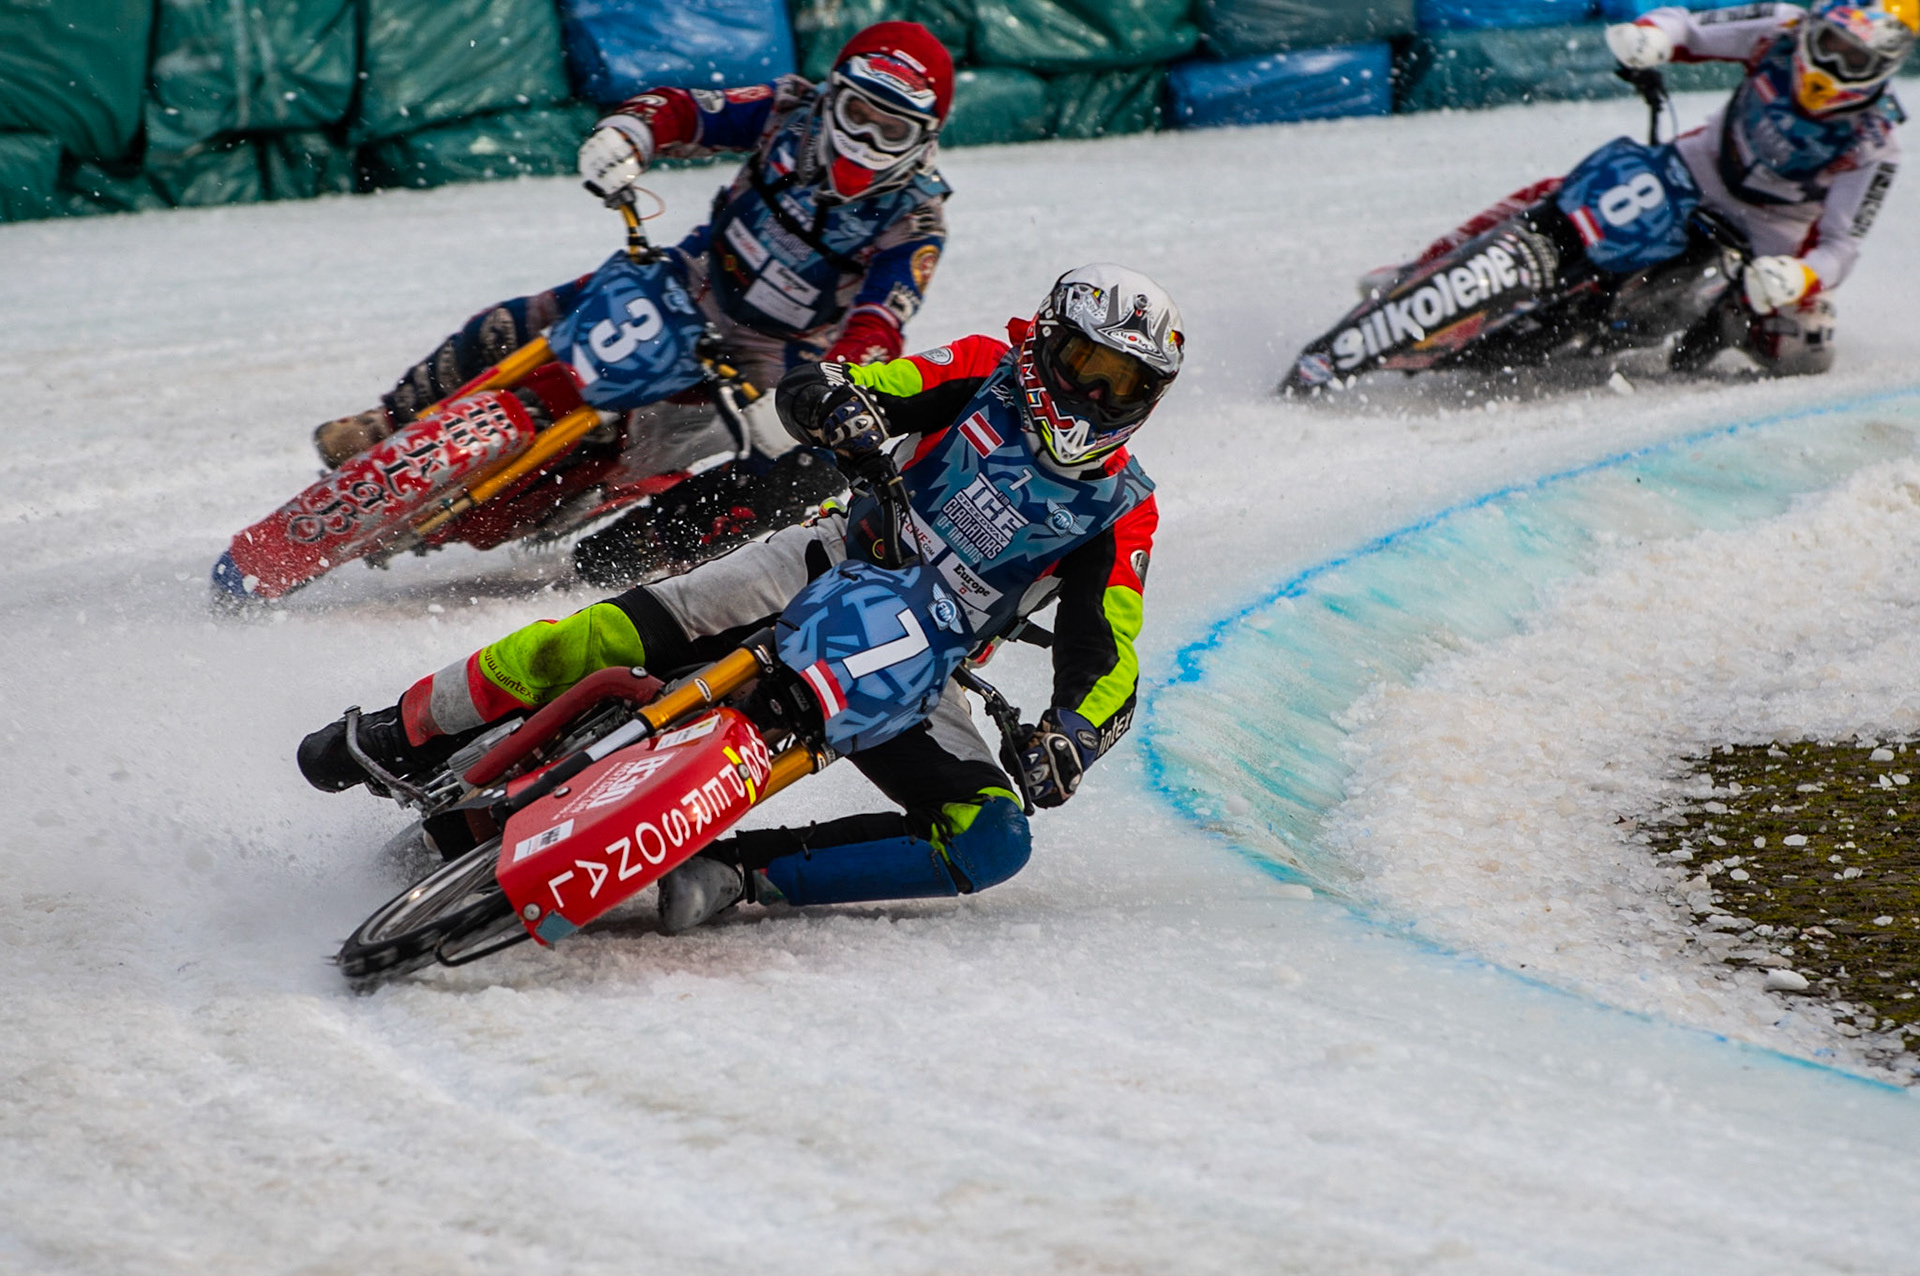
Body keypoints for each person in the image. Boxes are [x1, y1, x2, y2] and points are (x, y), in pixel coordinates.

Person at [298, 264, 1181, 934]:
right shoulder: (987, 367)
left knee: (993, 841)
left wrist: (1068, 740)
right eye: (1086, 365)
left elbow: (1109, 655)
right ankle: (402, 726)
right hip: (828, 557)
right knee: (614, 629)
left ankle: (737, 875)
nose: (1097, 395)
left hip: (918, 665)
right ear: (1045, 346)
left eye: (1125, 385)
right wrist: (839, 407)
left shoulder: (1124, 506)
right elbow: (864, 385)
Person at [311, 21, 958, 584]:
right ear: (832, 96)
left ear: (924, 137)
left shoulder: (916, 222)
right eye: (857, 115)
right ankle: (388, 421)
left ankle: (638, 550)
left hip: (780, 355)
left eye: (890, 129)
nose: (864, 142)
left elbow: (879, 328)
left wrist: (817, 394)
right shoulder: (787, 108)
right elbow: (688, 109)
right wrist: (630, 134)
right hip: (692, 276)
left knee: (813, 467)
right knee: (529, 318)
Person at [1365, 1, 1911, 376]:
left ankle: (1722, 323)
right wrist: (1653, 37)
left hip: (1770, 234)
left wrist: (1802, 274)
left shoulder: (1875, 143)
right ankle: (1424, 270)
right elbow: (1688, 27)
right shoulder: (1781, 29)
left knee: (1799, 348)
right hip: (1697, 166)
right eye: (1829, 44)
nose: (1831, 64)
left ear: (1883, 69)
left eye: (1854, 59)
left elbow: (1841, 244)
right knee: (1560, 192)